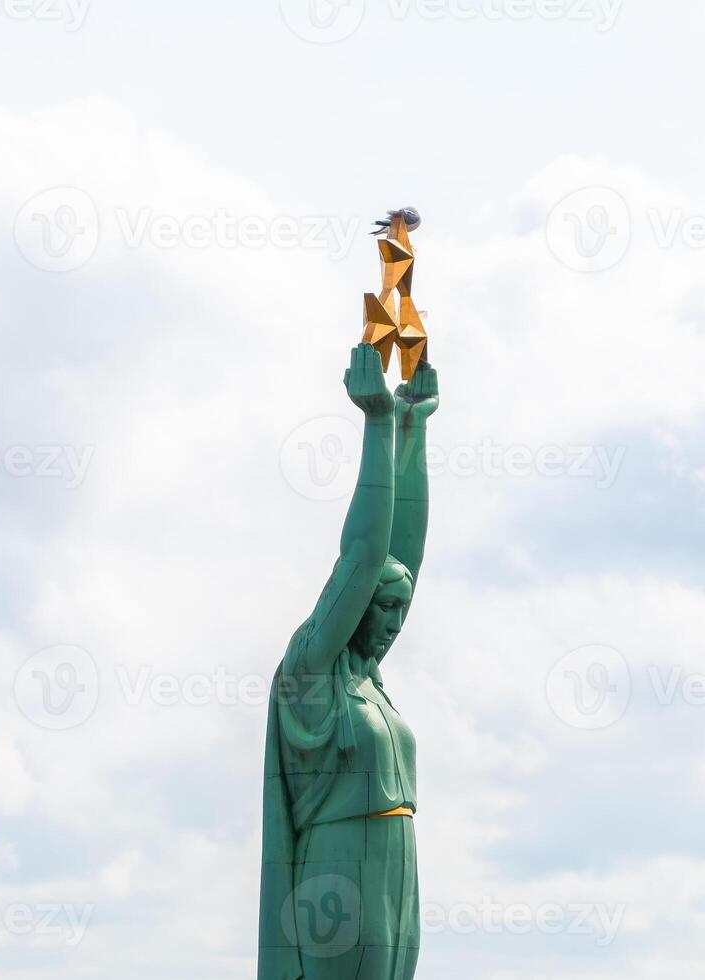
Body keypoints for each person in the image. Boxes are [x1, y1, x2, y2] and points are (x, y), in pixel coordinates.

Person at [260, 344, 438, 980]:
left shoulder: (371, 682)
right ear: (352, 604)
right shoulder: (311, 671)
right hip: (338, 874)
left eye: (399, 612)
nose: (393, 624)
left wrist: (414, 432)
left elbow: (402, 559)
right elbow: (367, 555)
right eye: (381, 610)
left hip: (396, 865)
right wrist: (378, 424)